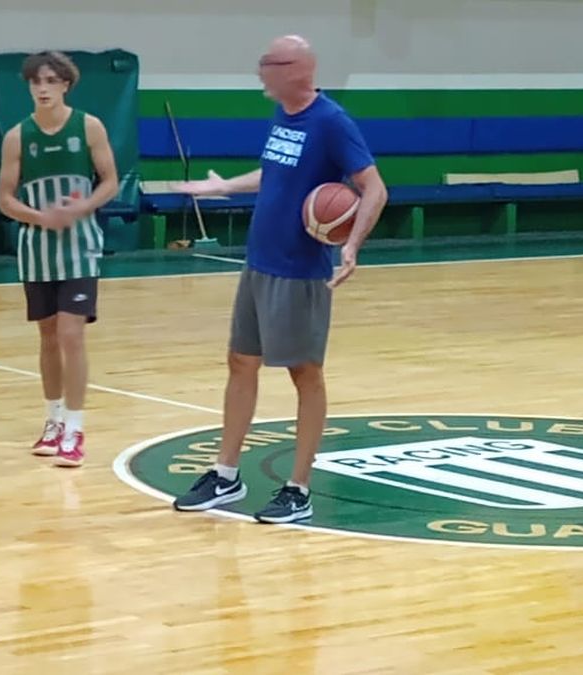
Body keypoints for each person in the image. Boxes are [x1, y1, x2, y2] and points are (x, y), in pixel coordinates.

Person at [169, 35, 388, 523]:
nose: (260, 72)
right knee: (240, 362)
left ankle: (299, 489)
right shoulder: (283, 117)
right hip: (260, 261)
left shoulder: (331, 121)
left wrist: (352, 245)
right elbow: (276, 174)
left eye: (268, 64)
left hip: (299, 268)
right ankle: (226, 474)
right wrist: (224, 185)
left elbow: (374, 188)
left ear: (296, 69)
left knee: (304, 373)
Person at [0, 51, 119, 468]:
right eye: (35, 81)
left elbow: (111, 182)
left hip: (80, 248)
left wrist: (78, 210)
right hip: (37, 250)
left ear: (66, 84)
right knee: (48, 337)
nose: (43, 88)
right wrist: (40, 217)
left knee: (71, 334)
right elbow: (5, 199)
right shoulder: (17, 136)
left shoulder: (89, 126)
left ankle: (76, 428)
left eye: (51, 80)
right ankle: (52, 422)